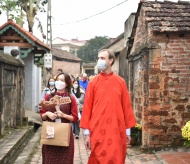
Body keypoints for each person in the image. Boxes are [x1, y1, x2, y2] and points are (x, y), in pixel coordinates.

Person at [80, 49, 136, 164]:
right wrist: (86, 134)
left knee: (117, 158)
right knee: (98, 158)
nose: (99, 61)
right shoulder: (93, 83)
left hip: (117, 129)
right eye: (99, 58)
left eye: (102, 58)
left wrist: (128, 132)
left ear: (111, 60)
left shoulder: (120, 82)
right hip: (97, 129)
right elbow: (87, 108)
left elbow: (126, 107)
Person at [40, 72, 78, 164]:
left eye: (61, 80)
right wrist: (48, 113)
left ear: (67, 83)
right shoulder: (48, 96)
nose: (58, 82)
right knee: (49, 159)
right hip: (50, 130)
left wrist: (63, 115)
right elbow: (42, 116)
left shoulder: (70, 98)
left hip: (65, 132)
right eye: (57, 80)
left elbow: (75, 118)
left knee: (65, 159)